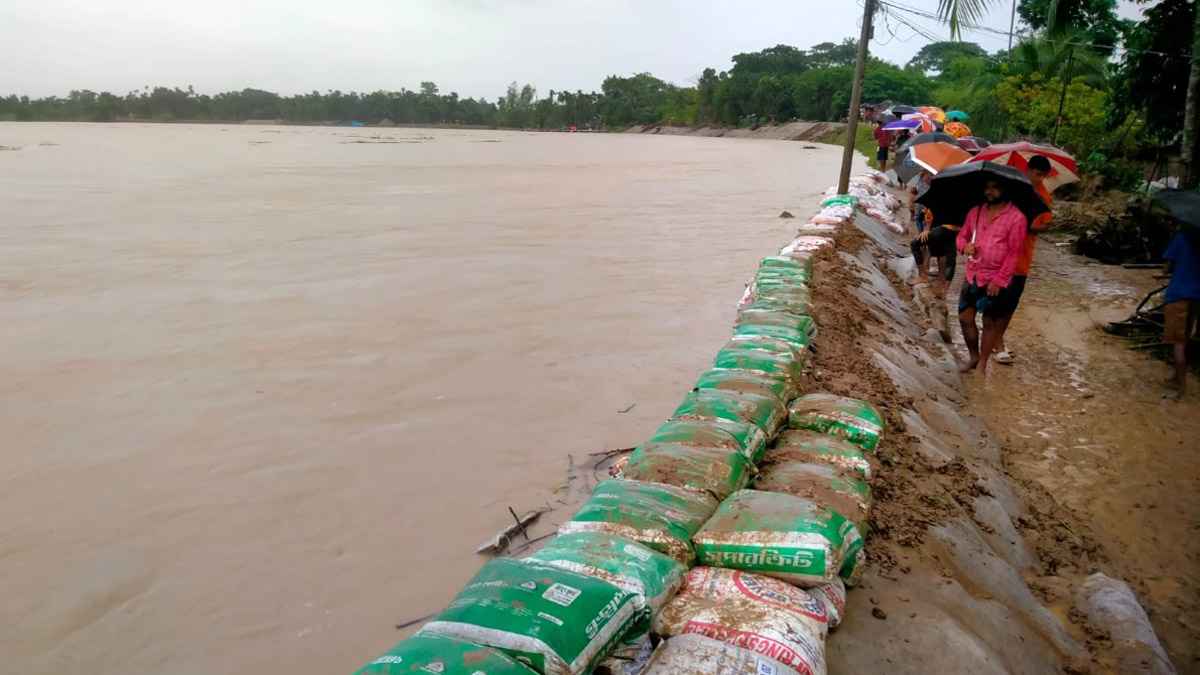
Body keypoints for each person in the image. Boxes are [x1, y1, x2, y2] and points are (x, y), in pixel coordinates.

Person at [956, 178, 1029, 374]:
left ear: (1005, 190)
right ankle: (973, 356)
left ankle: (982, 364)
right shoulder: (975, 212)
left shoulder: (1017, 218)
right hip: (972, 274)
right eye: (987, 187)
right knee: (964, 317)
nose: (990, 191)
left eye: (995, 188)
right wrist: (965, 246)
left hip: (995, 278)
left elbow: (1014, 253)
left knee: (989, 322)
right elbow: (961, 236)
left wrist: (999, 280)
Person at [993, 155, 1054, 365]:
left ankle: (997, 340)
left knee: (1010, 304)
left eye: (1043, 176)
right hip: (999, 255)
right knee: (995, 302)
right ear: (1028, 170)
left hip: (1022, 257)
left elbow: (1043, 224)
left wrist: (1027, 226)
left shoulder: (1044, 196)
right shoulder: (1012, 188)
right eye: (1037, 174)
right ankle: (995, 342)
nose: (1039, 179)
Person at [1163, 227, 1200, 399]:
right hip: (1197, 296)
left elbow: (1167, 267)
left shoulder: (1182, 237)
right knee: (1185, 337)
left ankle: (1181, 389)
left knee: (1177, 342)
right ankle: (1175, 377)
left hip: (1178, 295)